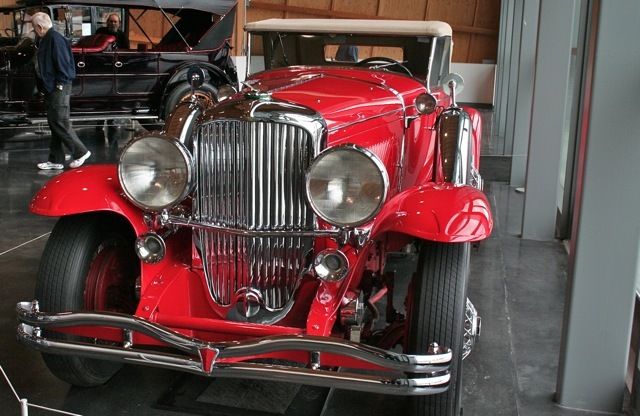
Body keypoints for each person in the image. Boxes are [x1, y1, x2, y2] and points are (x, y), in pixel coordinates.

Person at [32, 12, 91, 170]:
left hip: (59, 87)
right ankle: (56, 159)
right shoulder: (48, 38)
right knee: (54, 123)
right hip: (53, 88)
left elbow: (64, 66)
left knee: (60, 121)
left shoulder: (55, 39)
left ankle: (81, 152)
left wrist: (58, 85)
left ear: (39, 26)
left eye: (34, 28)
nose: (34, 31)